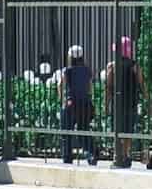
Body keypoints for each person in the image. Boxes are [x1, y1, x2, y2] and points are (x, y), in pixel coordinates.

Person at [55, 43, 98, 165]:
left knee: (66, 131)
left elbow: (60, 85)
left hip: (70, 103)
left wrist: (62, 99)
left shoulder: (67, 70)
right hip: (84, 103)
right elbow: (90, 88)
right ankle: (90, 155)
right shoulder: (87, 70)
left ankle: (67, 157)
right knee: (84, 129)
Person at [106, 36, 141, 167]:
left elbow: (108, 88)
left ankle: (118, 155)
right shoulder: (134, 65)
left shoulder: (112, 66)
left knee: (117, 130)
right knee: (128, 130)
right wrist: (147, 100)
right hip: (131, 101)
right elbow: (142, 84)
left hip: (118, 103)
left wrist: (105, 104)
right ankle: (126, 155)